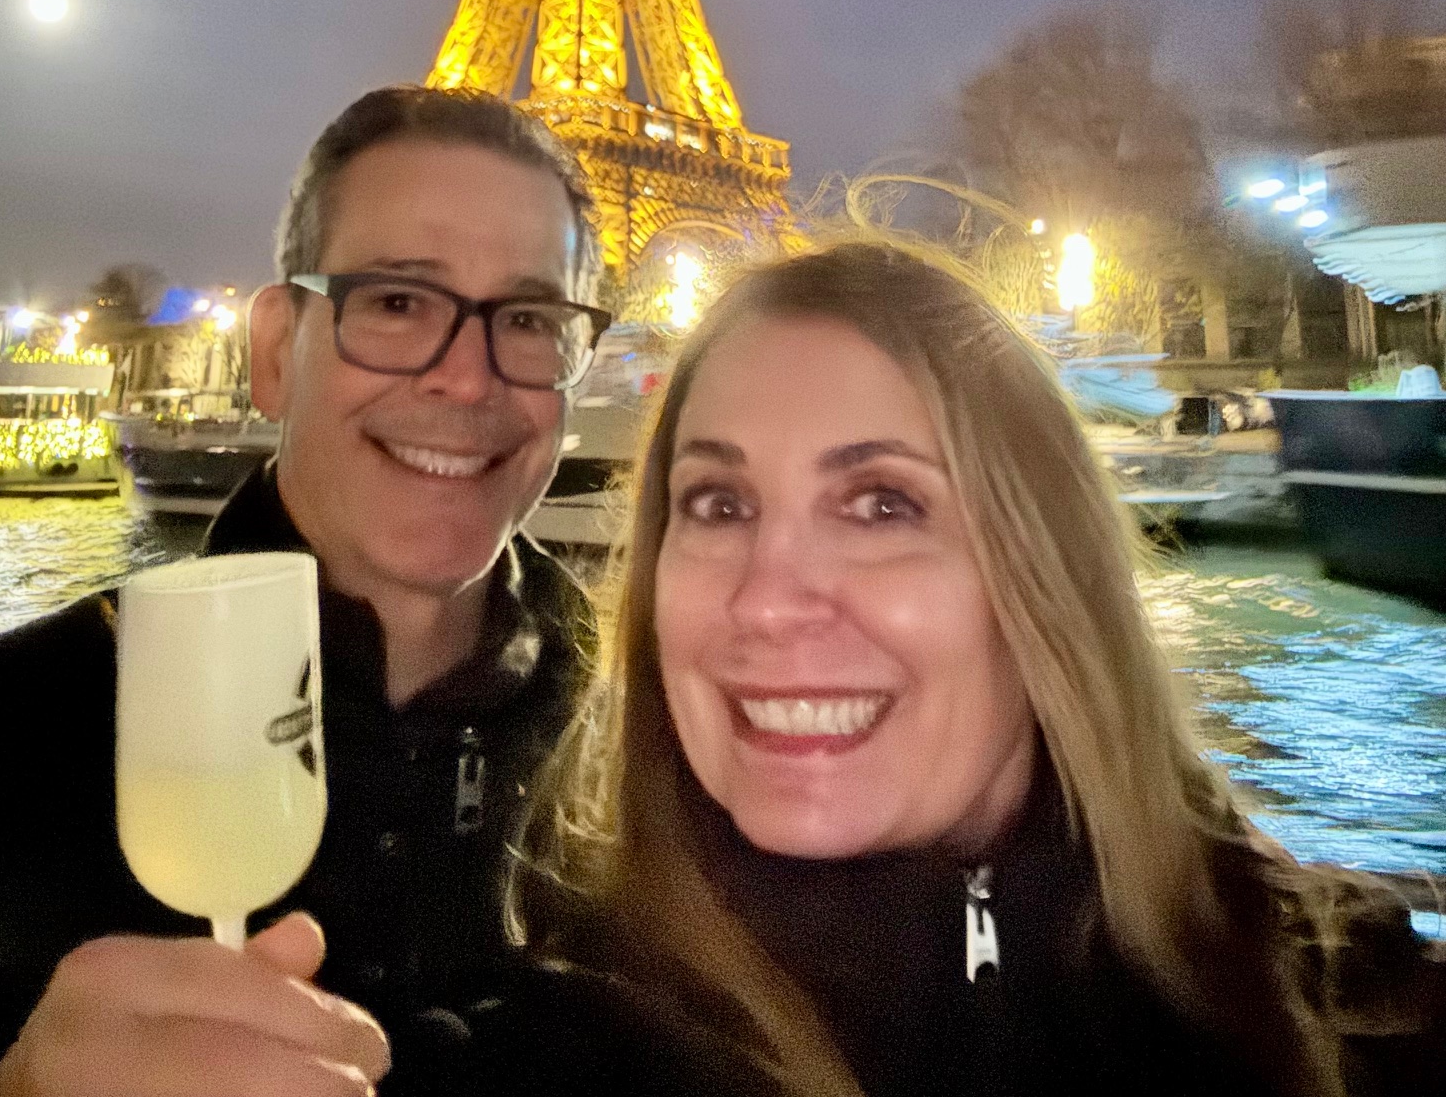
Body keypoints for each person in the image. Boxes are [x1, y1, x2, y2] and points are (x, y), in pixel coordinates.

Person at [406, 239, 1445, 1097]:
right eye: (719, 505)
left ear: (1046, 578)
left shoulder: (1345, 995)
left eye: (883, 505)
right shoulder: (553, 1054)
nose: (767, 598)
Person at [0, 85, 610, 1097]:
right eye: (396, 302)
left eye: (527, 318)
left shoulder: (670, 749)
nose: (466, 380)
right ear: (273, 352)